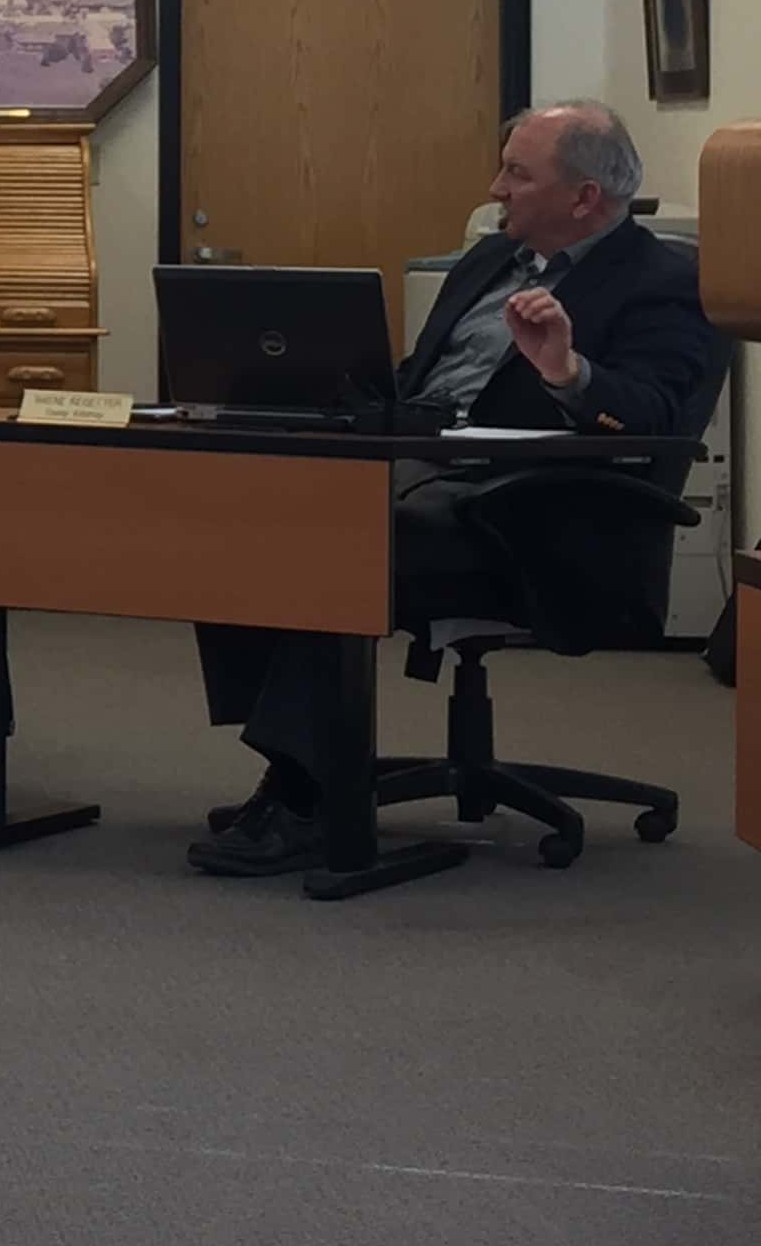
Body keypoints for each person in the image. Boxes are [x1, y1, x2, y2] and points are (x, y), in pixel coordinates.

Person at [189, 100, 723, 877]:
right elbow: (416, 383)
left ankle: (303, 797)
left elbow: (657, 419)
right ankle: (299, 764)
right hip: (416, 476)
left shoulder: (667, 283)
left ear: (585, 197)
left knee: (335, 543)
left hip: (532, 517)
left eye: (517, 174)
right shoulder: (487, 262)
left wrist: (569, 373)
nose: (496, 189)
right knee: (249, 511)